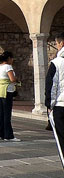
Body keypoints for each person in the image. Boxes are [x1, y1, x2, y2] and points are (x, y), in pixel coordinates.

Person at [45, 32, 64, 168]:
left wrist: (49, 105)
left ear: (61, 43)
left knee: (62, 141)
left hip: (61, 106)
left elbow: (52, 85)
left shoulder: (56, 63)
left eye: (57, 44)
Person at [0, 51, 20, 142]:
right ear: (9, 58)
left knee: (1, 113)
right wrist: (16, 80)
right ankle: (8, 135)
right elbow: (12, 79)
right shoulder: (8, 67)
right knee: (7, 114)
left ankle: (0, 133)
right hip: (7, 91)